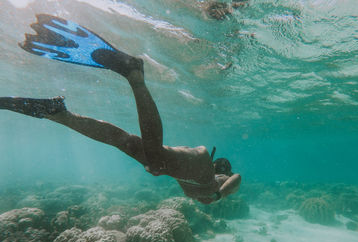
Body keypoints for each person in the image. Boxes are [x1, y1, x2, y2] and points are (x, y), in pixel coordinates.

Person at [0, 14, 241, 204]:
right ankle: (134, 73)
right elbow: (237, 180)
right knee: (156, 160)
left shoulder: (200, 182)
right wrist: (218, 195)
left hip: (186, 162)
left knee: (124, 142)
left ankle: (60, 113)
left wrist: (164, 168)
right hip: (196, 163)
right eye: (224, 169)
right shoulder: (218, 182)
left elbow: (179, 170)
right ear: (222, 170)